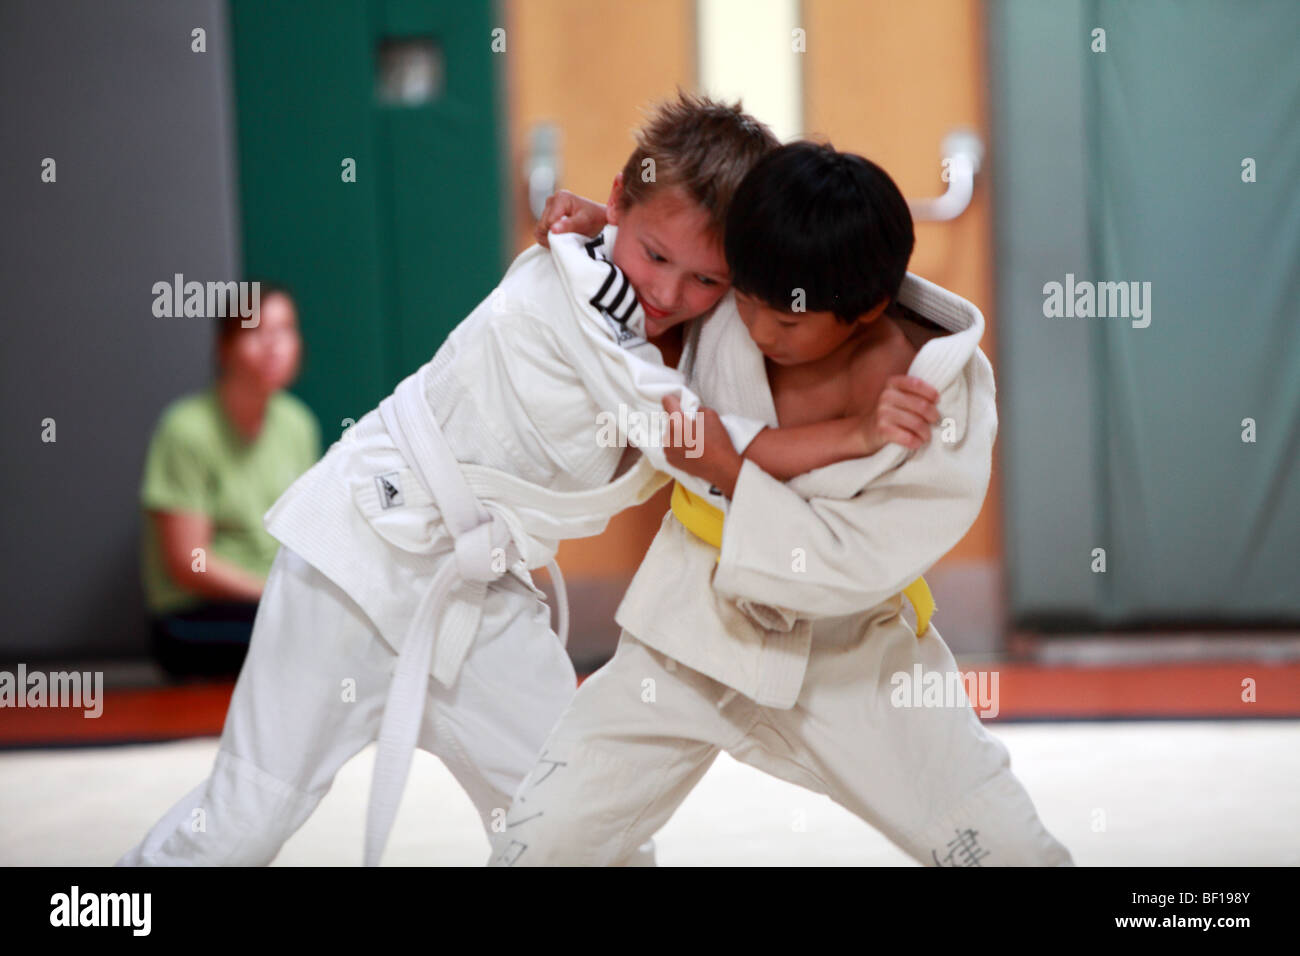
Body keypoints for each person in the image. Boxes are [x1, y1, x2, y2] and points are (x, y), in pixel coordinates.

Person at [118, 95, 906, 868]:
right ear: (619, 204)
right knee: (245, 822)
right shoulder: (580, 297)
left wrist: (616, 228)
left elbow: (698, 278)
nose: (668, 295)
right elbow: (712, 452)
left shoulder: (636, 274)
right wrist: (858, 432)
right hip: (359, 556)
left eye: (706, 280)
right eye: (656, 257)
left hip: (480, 595)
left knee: (586, 831)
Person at [489, 142, 1074, 867]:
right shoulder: (744, 287)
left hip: (855, 657)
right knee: (544, 841)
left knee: (1002, 849)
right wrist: (604, 234)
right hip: (686, 628)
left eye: (788, 323)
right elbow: (660, 280)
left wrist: (731, 467)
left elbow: (850, 560)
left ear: (864, 311)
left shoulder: (938, 404)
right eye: (743, 298)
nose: (759, 329)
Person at [140, 283, 318, 678]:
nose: (274, 345)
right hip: (192, 617)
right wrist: (273, 594)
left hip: (275, 603)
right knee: (309, 636)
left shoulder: (297, 424)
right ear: (226, 346)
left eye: (285, 330)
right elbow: (189, 564)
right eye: (257, 331)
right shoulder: (186, 430)